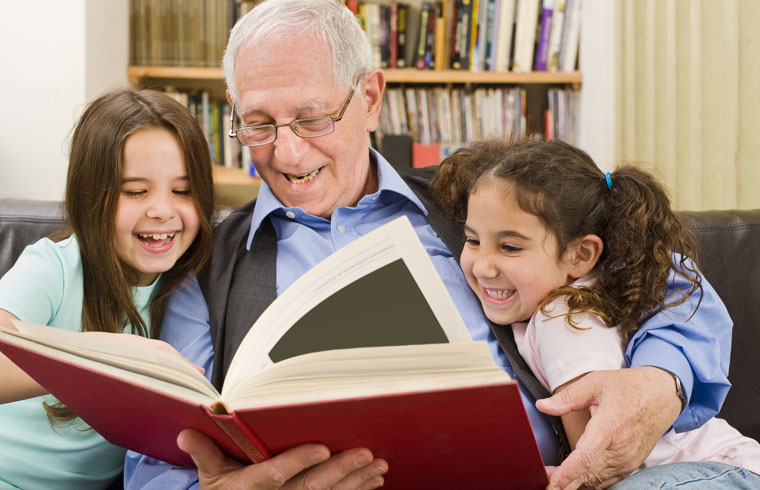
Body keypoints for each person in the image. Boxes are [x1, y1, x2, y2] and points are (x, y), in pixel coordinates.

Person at [124, 1, 734, 489]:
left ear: (368, 98)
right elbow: (155, 462)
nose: (285, 153)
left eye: (313, 119)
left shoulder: (479, 197)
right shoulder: (203, 267)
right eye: (258, 123)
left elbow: (668, 279)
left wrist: (661, 381)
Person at [430, 138, 760, 486]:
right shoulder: (584, 290)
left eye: (510, 247)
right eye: (473, 240)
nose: (482, 266)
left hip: (714, 469)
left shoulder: (562, 317)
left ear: (581, 255)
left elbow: (595, 461)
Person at [0, 88, 215, 489]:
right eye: (135, 191)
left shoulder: (196, 289)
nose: (162, 210)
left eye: (182, 191)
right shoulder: (56, 266)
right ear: (90, 197)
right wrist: (107, 360)